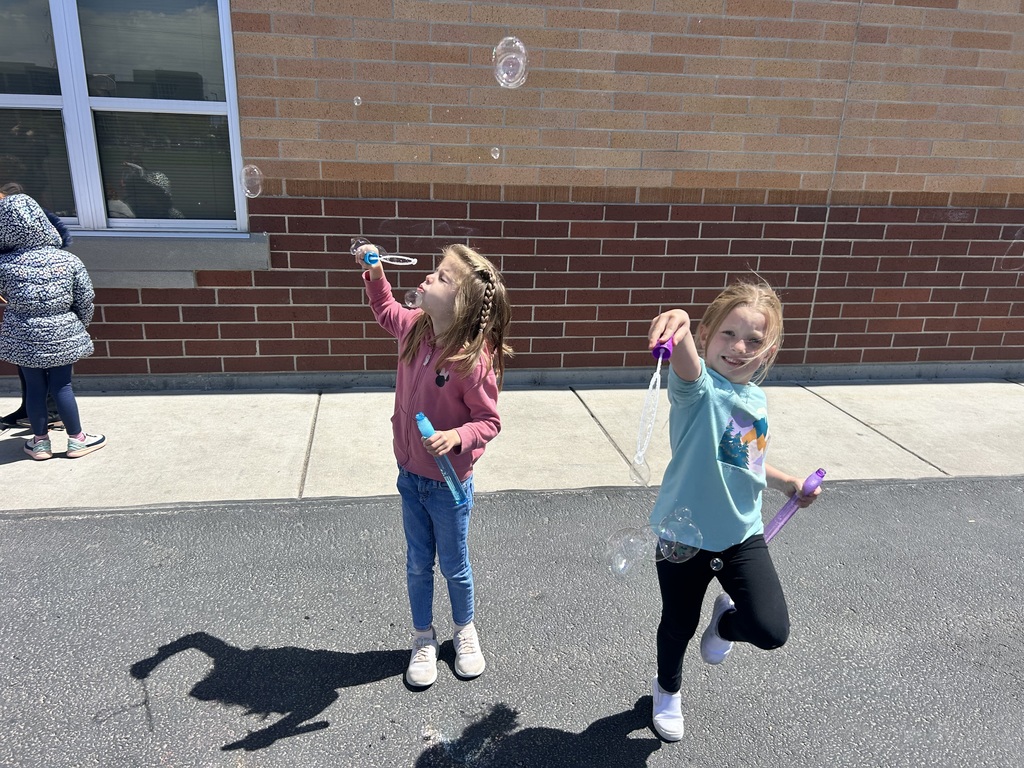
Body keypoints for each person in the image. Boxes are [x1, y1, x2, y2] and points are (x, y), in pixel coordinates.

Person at [644, 281, 820, 742]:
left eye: (754, 341)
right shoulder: (698, 389)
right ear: (706, 335)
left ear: (769, 350)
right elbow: (686, 367)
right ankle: (667, 690)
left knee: (770, 628)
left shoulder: (755, 400)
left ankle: (724, 621)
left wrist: (788, 483)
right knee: (678, 623)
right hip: (684, 536)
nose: (739, 348)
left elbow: (744, 460)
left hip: (742, 534)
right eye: (727, 334)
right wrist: (678, 324)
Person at [353, 240, 512, 688]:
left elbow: (489, 421)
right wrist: (375, 272)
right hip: (410, 477)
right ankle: (423, 636)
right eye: (435, 270)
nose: (427, 277)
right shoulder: (416, 329)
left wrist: (457, 437)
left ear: (460, 306)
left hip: (449, 486)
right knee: (418, 563)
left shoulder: (470, 363)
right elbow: (386, 310)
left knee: (455, 566)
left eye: (441, 277)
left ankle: (465, 631)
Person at [0, 193, 105, 460]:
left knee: (34, 387)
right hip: (62, 329)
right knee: (62, 386)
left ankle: (39, 443)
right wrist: (79, 325)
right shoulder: (68, 260)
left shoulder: (4, 265)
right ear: (43, 221)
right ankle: (77, 440)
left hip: (22, 332)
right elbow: (84, 298)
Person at [0, 186, 66, 430]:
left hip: (35, 305)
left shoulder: (21, 219)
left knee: (42, 364)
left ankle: (49, 413)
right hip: (25, 302)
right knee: (30, 364)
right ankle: (31, 408)